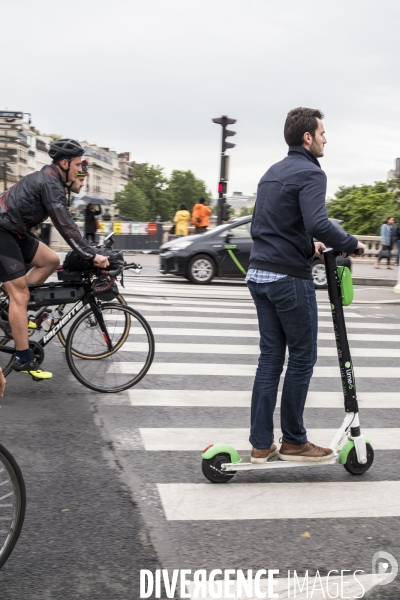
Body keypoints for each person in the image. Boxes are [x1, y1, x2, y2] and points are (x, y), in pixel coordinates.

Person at [246, 107, 365, 464]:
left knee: (269, 360)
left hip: (258, 274)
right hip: (287, 278)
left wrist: (306, 244)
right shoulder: (312, 172)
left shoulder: (272, 172)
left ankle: (261, 444)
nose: (326, 138)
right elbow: (318, 221)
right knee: (302, 357)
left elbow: (275, 224)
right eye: (322, 132)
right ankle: (295, 440)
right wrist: (350, 241)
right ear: (307, 137)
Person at [0, 138, 109, 381]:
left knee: (49, 260)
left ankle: (9, 305)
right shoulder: (50, 182)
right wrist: (92, 254)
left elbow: (67, 224)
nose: (82, 170)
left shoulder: (54, 180)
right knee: (21, 295)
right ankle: (23, 357)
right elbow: (65, 225)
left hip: (16, 231)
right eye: (79, 165)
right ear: (64, 163)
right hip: (2, 230)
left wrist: (88, 250)